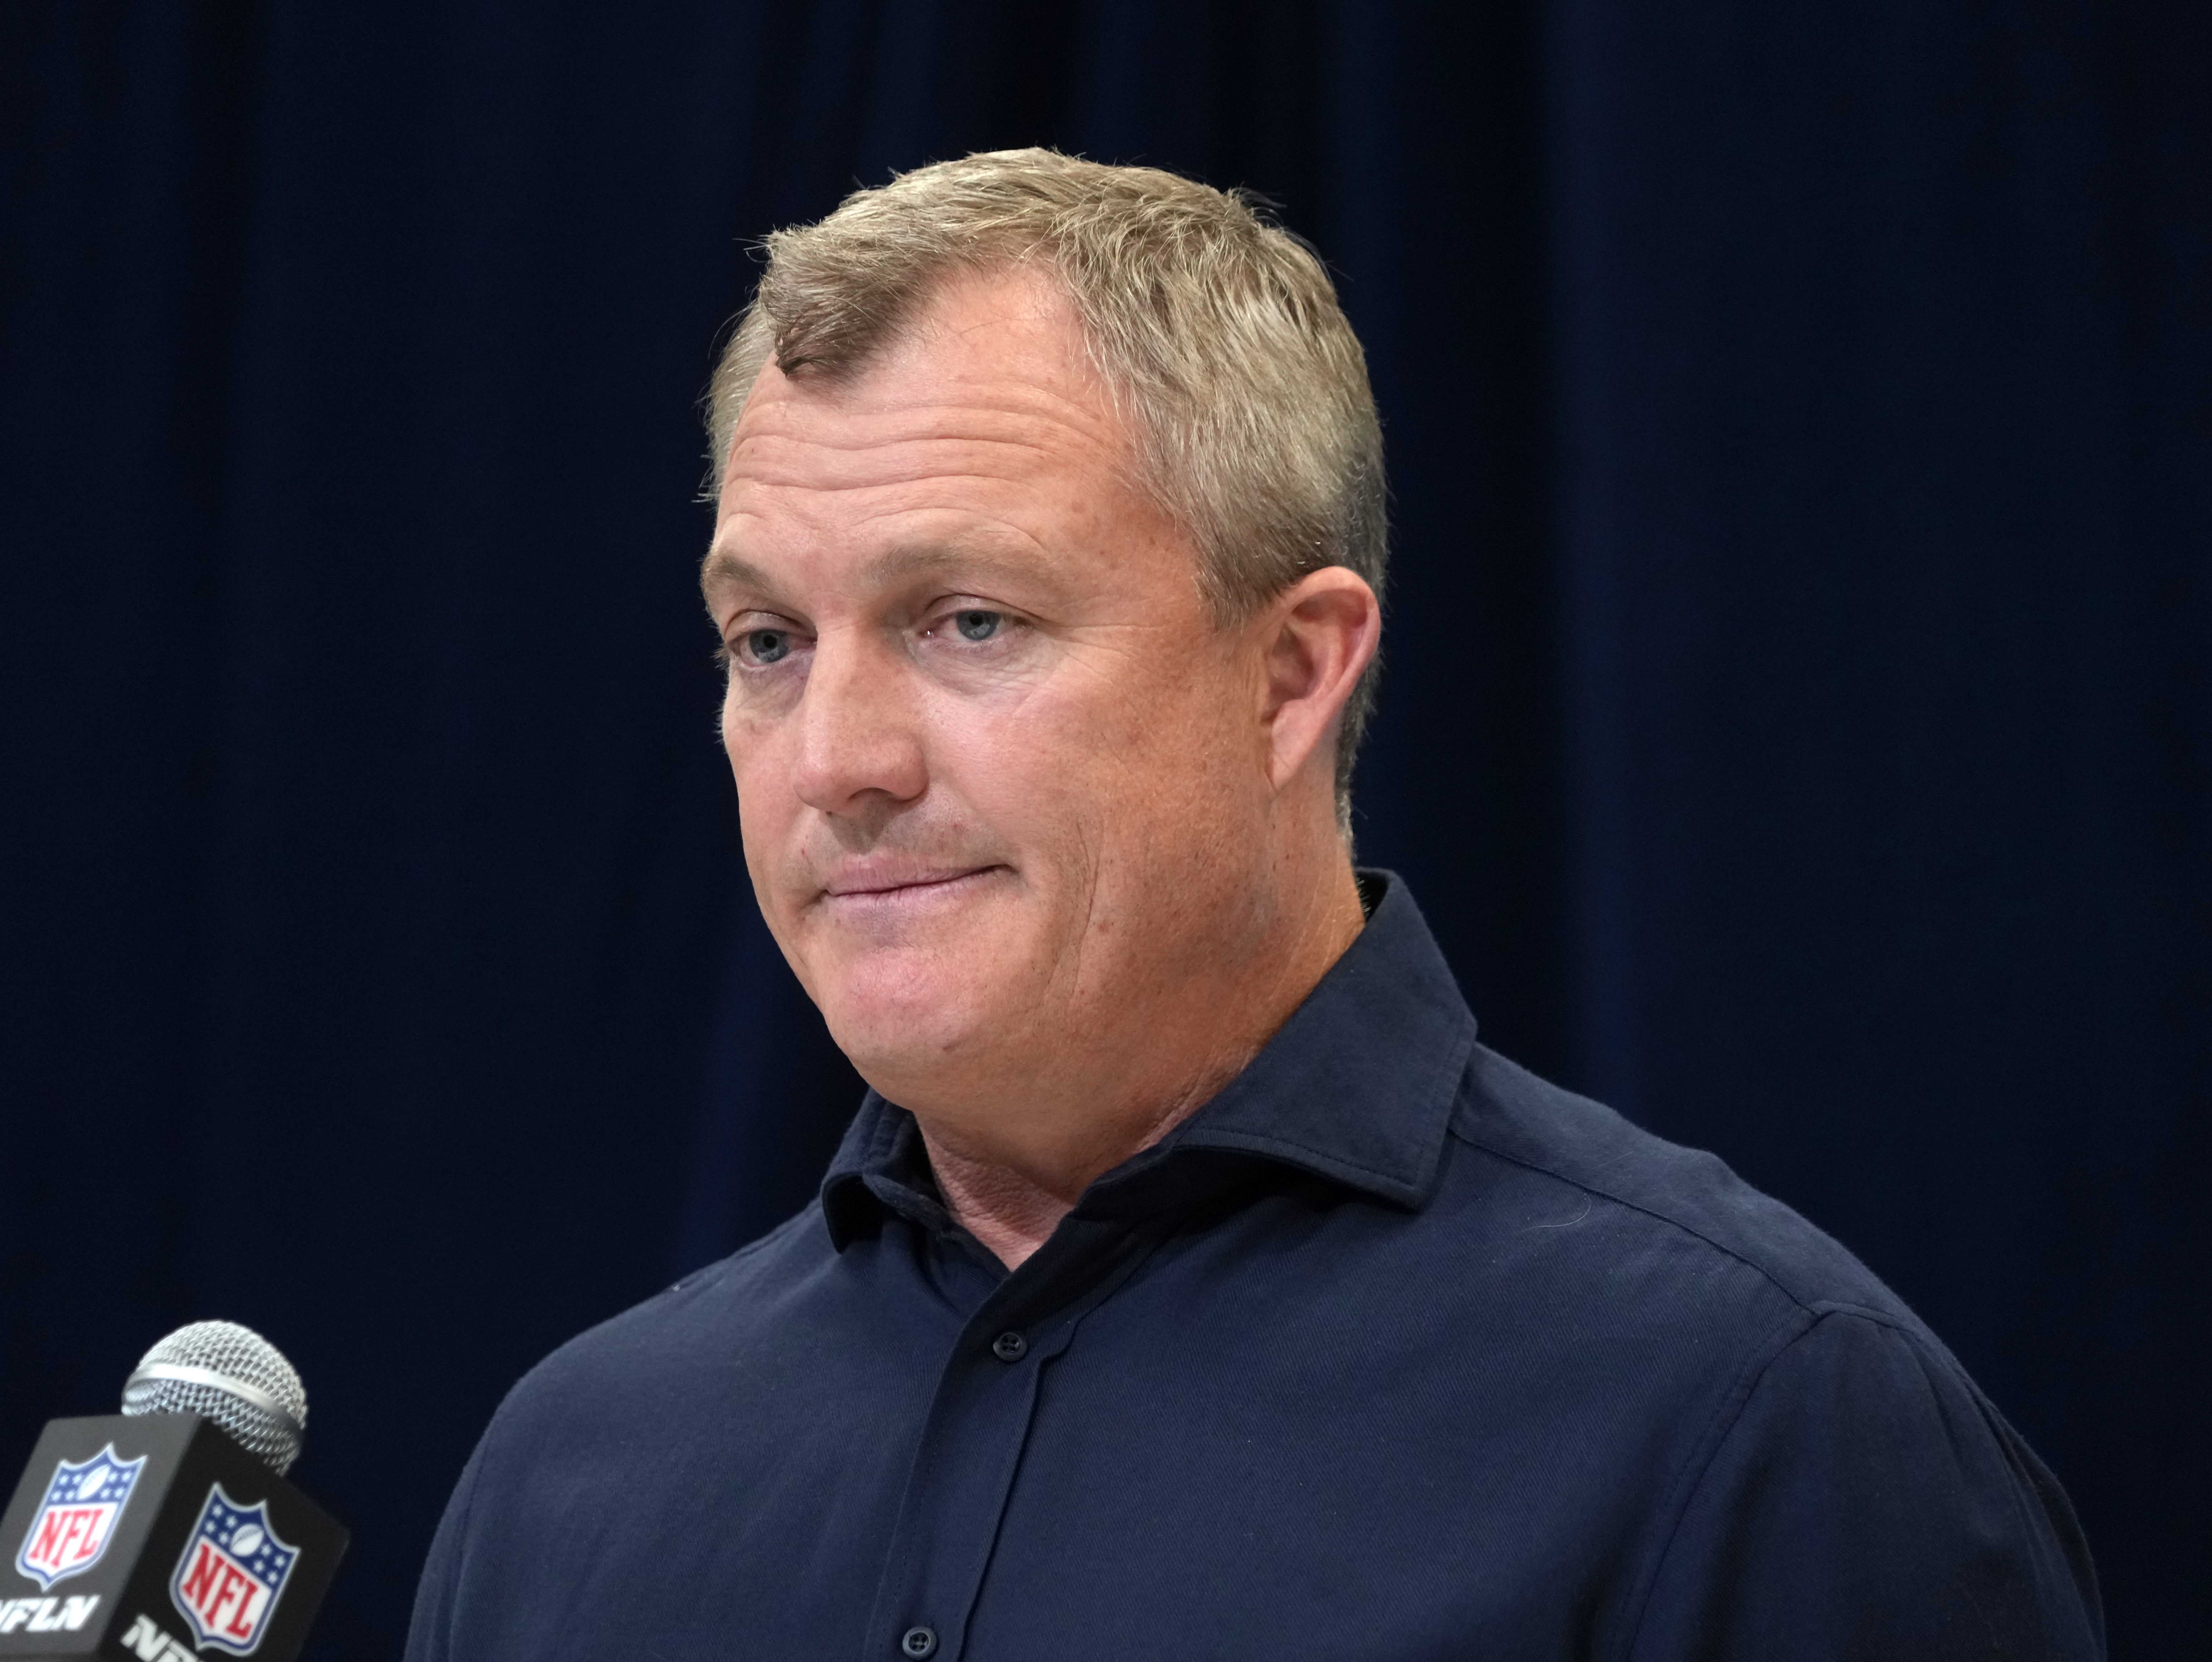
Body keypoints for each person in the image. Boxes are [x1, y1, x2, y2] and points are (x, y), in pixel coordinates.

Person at [405, 150, 2101, 1661]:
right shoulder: (574, 1474)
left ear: (1288, 674)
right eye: (768, 641)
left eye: (968, 620)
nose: (835, 758)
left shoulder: (1755, 1423)